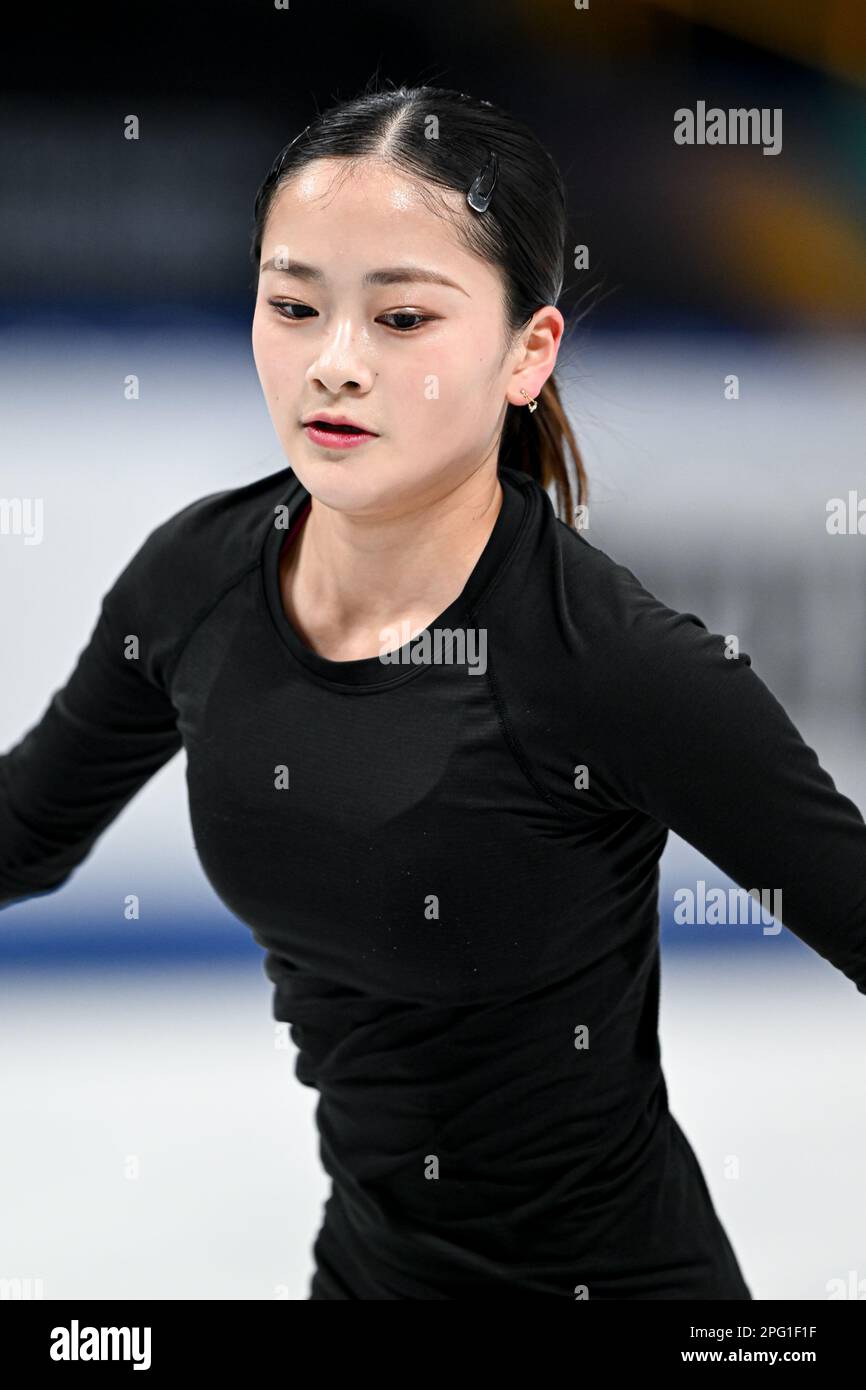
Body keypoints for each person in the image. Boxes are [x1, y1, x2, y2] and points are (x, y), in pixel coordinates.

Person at [3, 83, 865, 1300]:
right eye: (292, 305)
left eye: (401, 318)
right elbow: (24, 832)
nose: (333, 364)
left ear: (529, 351)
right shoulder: (196, 578)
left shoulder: (612, 664)